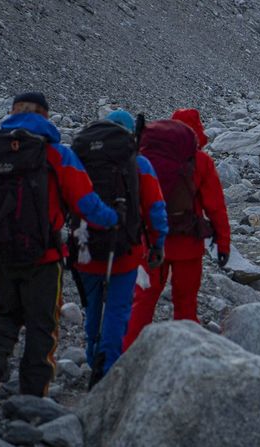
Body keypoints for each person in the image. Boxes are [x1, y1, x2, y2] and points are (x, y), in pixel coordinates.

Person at [0, 93, 120, 401]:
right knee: (43, 325)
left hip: (0, 251)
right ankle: (34, 393)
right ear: (45, 116)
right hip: (44, 255)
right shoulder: (55, 153)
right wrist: (112, 219)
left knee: (6, 314)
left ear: (12, 112)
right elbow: (86, 202)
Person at [72, 110, 168, 386]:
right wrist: (158, 242)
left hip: (85, 246)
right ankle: (108, 366)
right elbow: (155, 207)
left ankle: (92, 355)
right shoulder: (138, 163)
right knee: (117, 309)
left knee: (92, 306)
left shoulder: (82, 157)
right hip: (125, 248)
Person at [124, 108, 230, 350]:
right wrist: (223, 244)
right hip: (188, 245)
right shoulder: (201, 161)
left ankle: (127, 356)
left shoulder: (145, 156)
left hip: (150, 241)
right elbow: (216, 207)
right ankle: (184, 358)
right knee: (185, 304)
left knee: (143, 301)